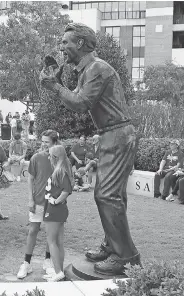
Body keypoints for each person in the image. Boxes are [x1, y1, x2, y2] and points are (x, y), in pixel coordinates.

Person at [40, 23, 141, 275]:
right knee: (111, 195)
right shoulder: (88, 70)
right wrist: (58, 82)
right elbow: (76, 96)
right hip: (111, 135)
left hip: (117, 135)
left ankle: (126, 256)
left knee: (107, 196)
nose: (62, 47)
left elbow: (81, 103)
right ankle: (112, 245)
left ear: (81, 44)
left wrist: (54, 86)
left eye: (66, 42)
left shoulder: (97, 68)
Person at [17, 129, 59, 279]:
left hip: (54, 202)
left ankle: (47, 261)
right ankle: (26, 264)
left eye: (47, 142)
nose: (43, 144)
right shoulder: (36, 157)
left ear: (55, 143)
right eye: (42, 141)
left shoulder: (60, 159)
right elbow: (30, 179)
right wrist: (30, 199)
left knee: (50, 233)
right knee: (33, 230)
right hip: (38, 201)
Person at [43, 145, 74, 281]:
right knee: (58, 242)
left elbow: (66, 191)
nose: (49, 158)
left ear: (55, 157)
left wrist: (55, 201)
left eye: (50, 155)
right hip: (58, 210)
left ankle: (57, 271)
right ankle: (59, 270)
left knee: (52, 241)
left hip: (54, 210)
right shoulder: (61, 170)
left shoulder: (60, 171)